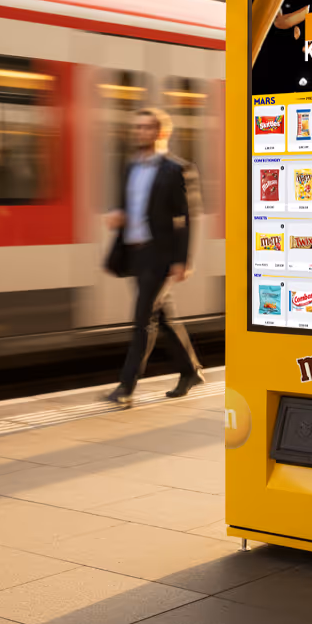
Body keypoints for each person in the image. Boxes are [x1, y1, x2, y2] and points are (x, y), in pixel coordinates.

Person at [104, 108, 203, 408]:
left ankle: (126, 386)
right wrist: (119, 216)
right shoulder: (130, 167)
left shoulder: (177, 169)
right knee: (161, 316)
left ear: (162, 133)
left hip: (160, 254)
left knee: (142, 319)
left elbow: (186, 218)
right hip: (135, 251)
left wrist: (182, 260)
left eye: (147, 127)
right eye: (137, 127)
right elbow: (129, 205)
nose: (140, 132)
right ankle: (190, 370)